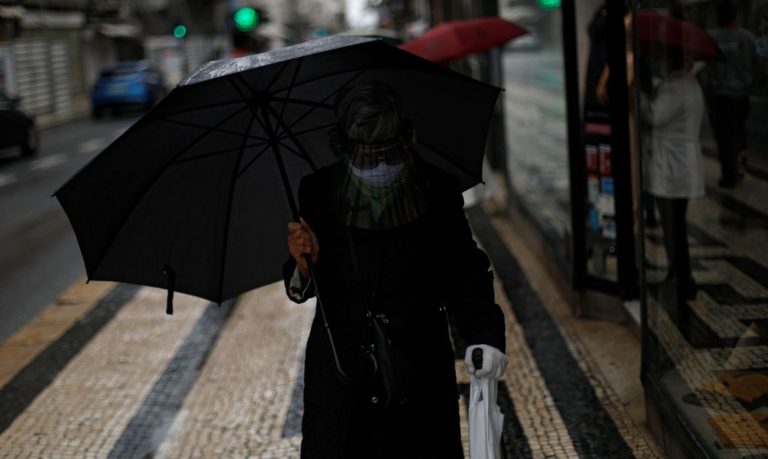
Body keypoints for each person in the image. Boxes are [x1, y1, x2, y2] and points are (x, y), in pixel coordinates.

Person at [283, 81, 507, 458]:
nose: (381, 167)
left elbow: (465, 272)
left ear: (408, 139)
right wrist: (303, 264)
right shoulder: (318, 192)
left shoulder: (438, 189)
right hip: (342, 375)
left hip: (419, 372)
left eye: (389, 154)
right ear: (345, 148)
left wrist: (484, 337)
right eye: (368, 157)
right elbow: (300, 285)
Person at [640, 46, 704, 310]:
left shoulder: (675, 88)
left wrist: (641, 95)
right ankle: (681, 276)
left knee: (672, 228)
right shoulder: (690, 84)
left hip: (672, 166)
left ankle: (680, 279)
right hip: (684, 162)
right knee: (677, 226)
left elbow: (653, 116)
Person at [705, 1, 762, 187]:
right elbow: (757, 66)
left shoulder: (710, 37)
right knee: (739, 132)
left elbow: (705, 67)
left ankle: (727, 172)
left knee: (723, 135)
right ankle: (739, 169)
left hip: (720, 95)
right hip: (741, 95)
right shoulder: (748, 38)